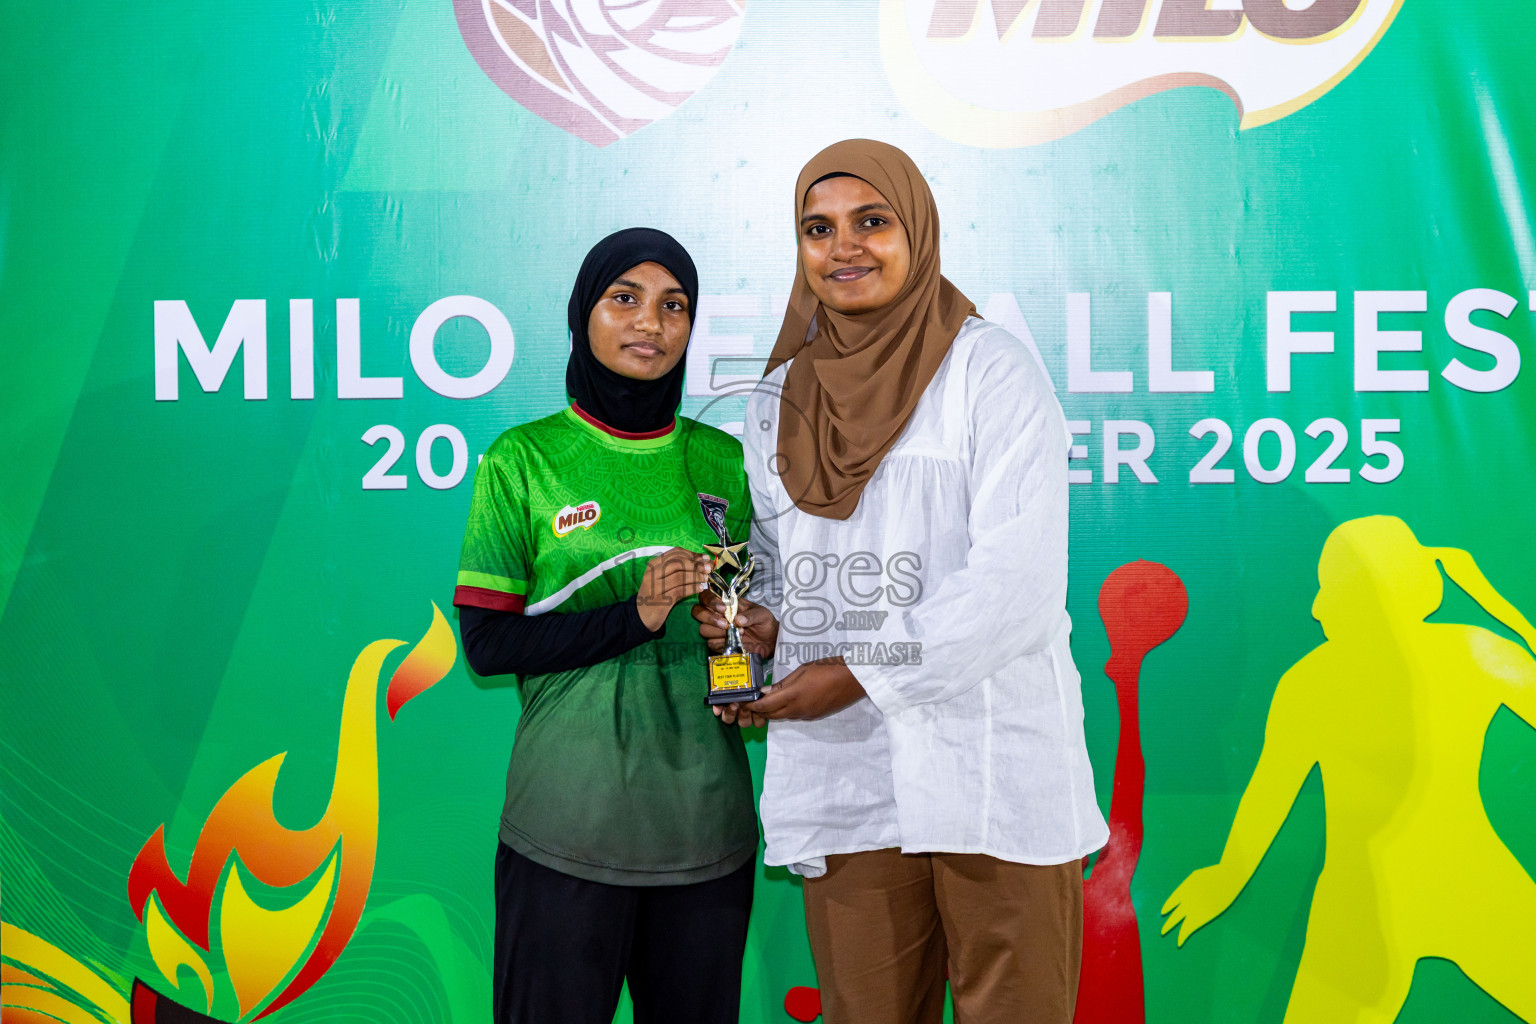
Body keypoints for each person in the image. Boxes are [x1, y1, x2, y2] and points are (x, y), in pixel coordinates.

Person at [696, 139, 1107, 1023]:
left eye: (871, 222)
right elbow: (778, 557)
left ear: (916, 231)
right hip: (849, 784)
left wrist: (854, 675)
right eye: (819, 228)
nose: (844, 248)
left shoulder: (990, 372)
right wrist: (758, 622)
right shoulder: (776, 401)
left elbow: (1015, 582)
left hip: (990, 771)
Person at [454, 227, 758, 1024]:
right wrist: (637, 616)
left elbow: (734, 625)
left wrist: (744, 662)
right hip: (566, 828)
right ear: (582, 314)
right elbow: (487, 646)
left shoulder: (723, 460)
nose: (649, 325)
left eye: (673, 306)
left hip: (706, 831)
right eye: (624, 299)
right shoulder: (522, 460)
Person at [1161, 515, 1536, 1021]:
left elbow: (1271, 792)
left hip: (1374, 899)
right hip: (1451, 883)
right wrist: (1227, 876)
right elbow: (1270, 792)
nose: (1316, 608)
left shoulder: (1310, 682)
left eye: (1328, 588)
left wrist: (1229, 876)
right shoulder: (1474, 651)